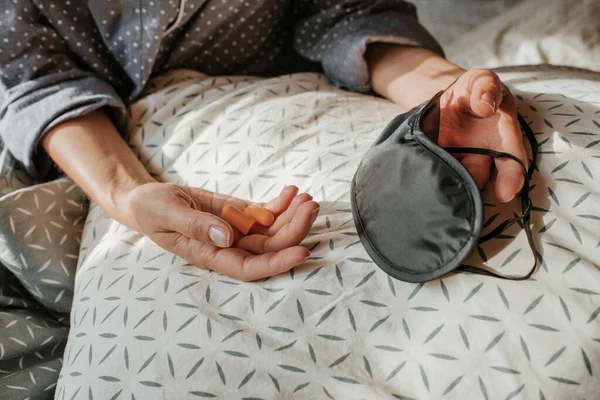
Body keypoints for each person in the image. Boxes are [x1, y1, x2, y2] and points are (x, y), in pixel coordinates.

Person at [0, 0, 527, 281]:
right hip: (109, 153)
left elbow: (353, 18)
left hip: (292, 102)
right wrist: (128, 197)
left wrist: (444, 90)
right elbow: (42, 83)